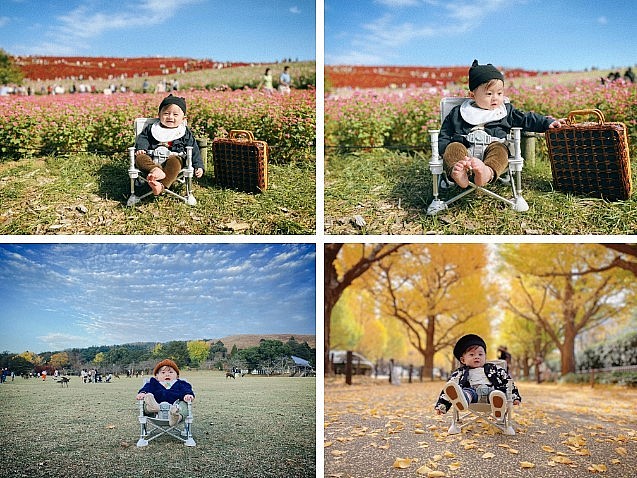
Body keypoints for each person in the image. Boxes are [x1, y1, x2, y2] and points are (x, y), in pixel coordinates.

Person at [439, 60, 565, 188]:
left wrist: (547, 122)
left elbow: (526, 118)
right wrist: (444, 151)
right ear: (472, 95)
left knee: (501, 150)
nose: (495, 98)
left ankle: (486, 173)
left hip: (493, 148)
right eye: (489, 94)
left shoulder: (505, 111)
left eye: (499, 93)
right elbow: (445, 133)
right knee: (453, 147)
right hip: (465, 153)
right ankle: (459, 172)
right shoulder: (459, 112)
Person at [434, 334, 521, 421]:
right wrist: (442, 405)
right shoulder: (460, 372)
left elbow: (507, 381)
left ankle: (498, 407)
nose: (477, 357)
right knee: (465, 392)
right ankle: (462, 400)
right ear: (463, 360)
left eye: (480, 354)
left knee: (497, 393)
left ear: (485, 356)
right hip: (473, 395)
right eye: (471, 355)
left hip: (491, 393)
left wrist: (514, 396)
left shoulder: (495, 368)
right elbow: (450, 387)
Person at [134, 94, 204, 195]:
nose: (170, 117)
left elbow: (193, 148)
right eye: (166, 113)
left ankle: (160, 186)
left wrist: (198, 165)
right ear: (159, 114)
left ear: (183, 118)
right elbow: (143, 139)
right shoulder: (151, 128)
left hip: (173, 158)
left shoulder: (184, 132)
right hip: (152, 158)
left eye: (175, 115)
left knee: (175, 162)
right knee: (140, 158)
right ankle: (155, 170)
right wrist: (141, 148)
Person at [136, 359, 195, 426]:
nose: (167, 374)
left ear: (177, 376)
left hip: (175, 406)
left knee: (183, 405)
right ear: (156, 376)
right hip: (155, 411)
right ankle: (151, 407)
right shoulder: (153, 383)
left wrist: (188, 395)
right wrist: (143, 393)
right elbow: (146, 388)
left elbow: (187, 389)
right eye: (163, 372)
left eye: (171, 372)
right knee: (147, 398)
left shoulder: (180, 384)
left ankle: (176, 417)